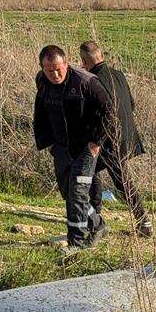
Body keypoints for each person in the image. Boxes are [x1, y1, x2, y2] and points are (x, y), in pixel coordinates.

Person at [33, 44, 115, 249]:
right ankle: (99, 224)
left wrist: (97, 141)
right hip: (61, 146)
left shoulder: (86, 82)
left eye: (58, 69)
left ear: (66, 64)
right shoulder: (42, 82)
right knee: (68, 194)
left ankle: (76, 242)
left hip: (86, 147)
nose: (55, 74)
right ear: (42, 68)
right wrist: (48, 142)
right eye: (49, 70)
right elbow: (41, 111)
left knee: (78, 191)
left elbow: (110, 112)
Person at [77, 41, 152, 237]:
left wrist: (93, 136)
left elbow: (94, 113)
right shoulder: (118, 75)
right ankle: (95, 216)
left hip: (109, 137)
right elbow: (132, 104)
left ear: (84, 61)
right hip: (127, 133)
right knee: (95, 172)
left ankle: (144, 221)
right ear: (101, 55)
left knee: (121, 181)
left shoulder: (92, 79)